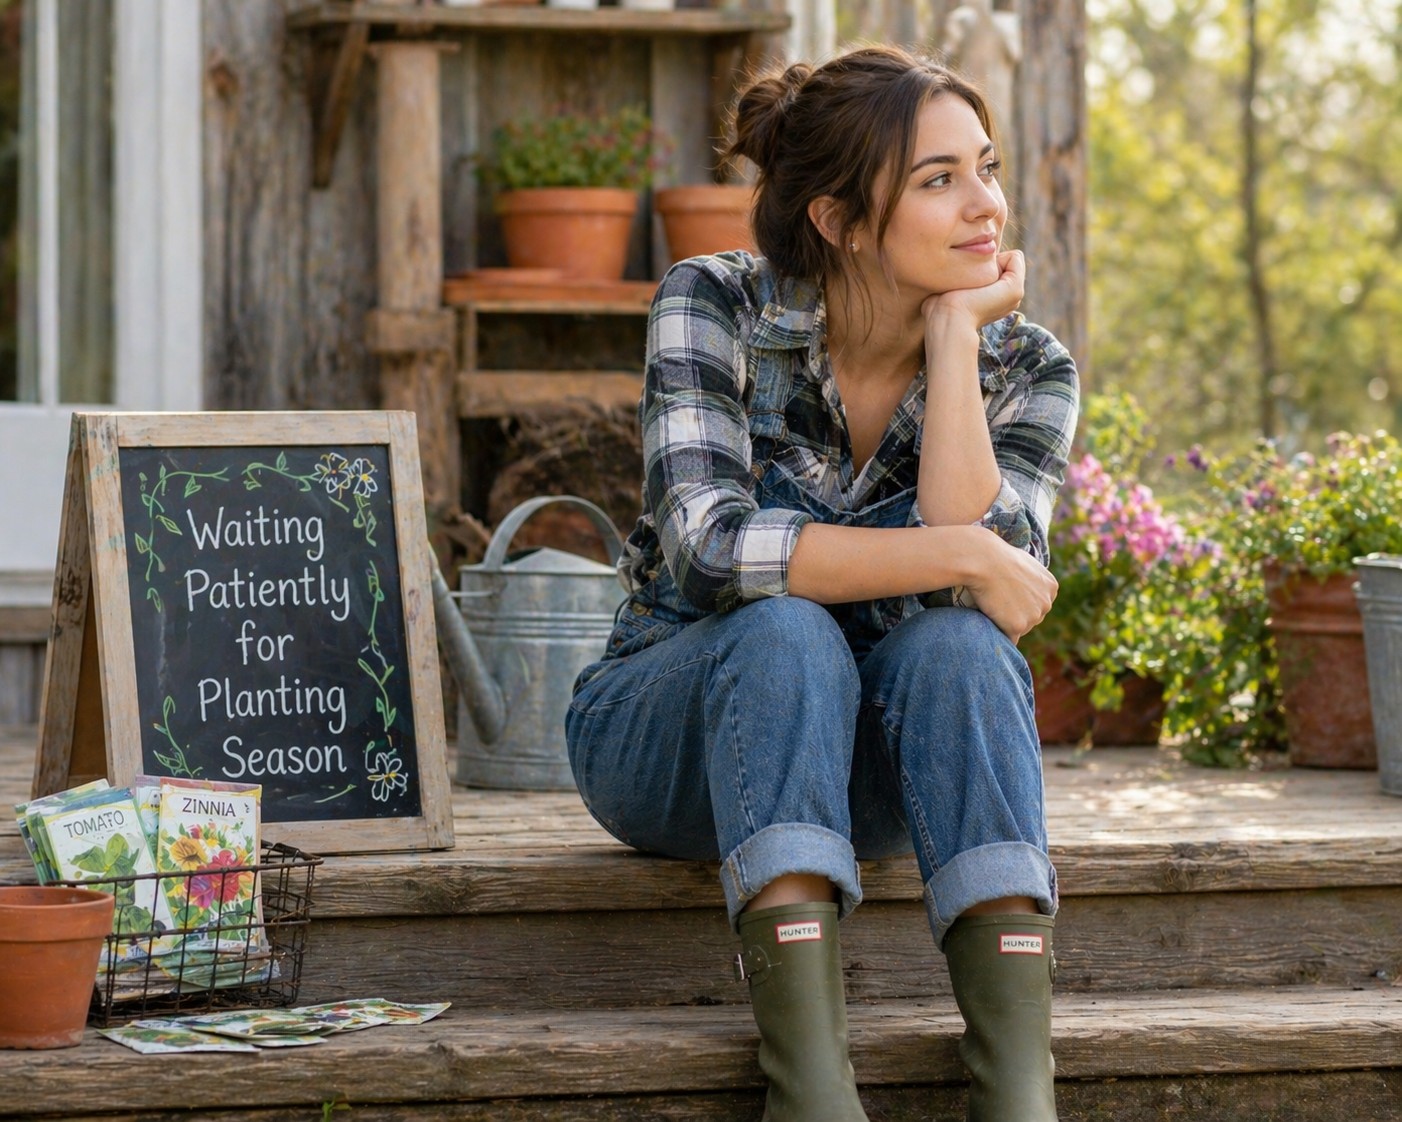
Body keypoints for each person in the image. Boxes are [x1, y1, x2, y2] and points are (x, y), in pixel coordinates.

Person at [565, 44, 1078, 1122]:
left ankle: (1022, 1098)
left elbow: (991, 603)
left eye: (984, 167)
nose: (985, 206)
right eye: (938, 181)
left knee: (958, 650)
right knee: (783, 632)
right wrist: (960, 552)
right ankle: (811, 1096)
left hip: (873, 772)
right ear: (842, 221)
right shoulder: (714, 304)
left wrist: (950, 341)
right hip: (674, 733)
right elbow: (711, 550)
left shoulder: (1026, 366)